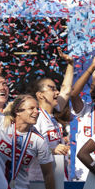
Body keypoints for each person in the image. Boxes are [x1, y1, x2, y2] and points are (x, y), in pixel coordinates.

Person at [27, 49, 82, 181]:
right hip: (40, 182)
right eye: (52, 89)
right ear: (40, 95)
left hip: (58, 178)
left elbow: (67, 88)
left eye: (56, 89)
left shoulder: (53, 112)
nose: (57, 92)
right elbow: (28, 148)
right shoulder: (35, 117)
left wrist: (70, 64)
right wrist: (53, 150)